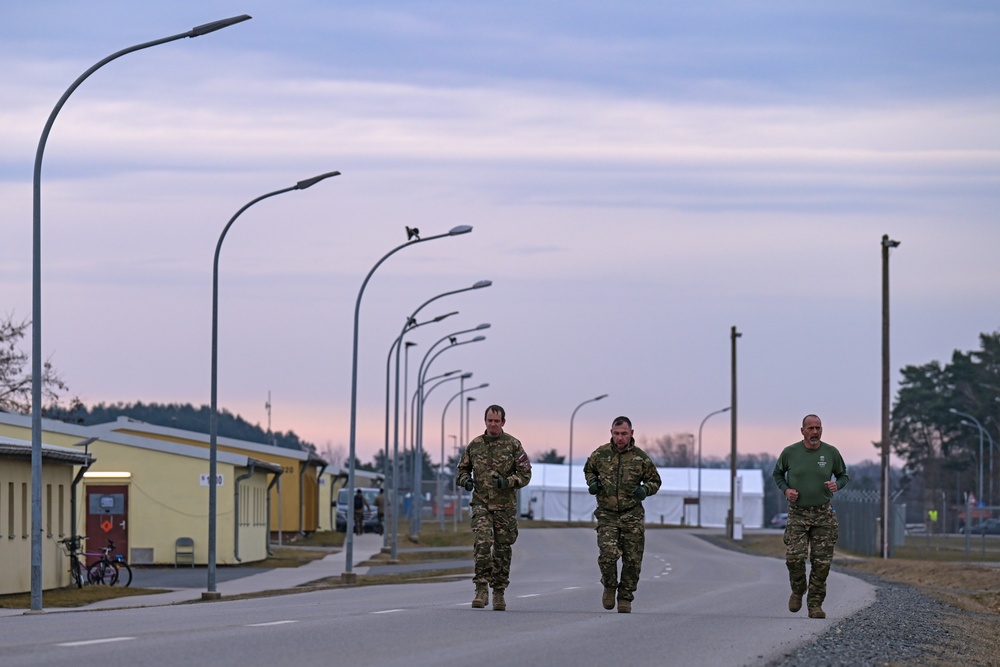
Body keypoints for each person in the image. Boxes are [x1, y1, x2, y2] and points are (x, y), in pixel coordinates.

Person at [771, 414, 850, 619]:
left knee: (821, 562)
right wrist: (786, 490)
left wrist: (837, 485)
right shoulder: (790, 453)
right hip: (798, 513)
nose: (815, 432)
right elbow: (777, 474)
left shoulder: (831, 453)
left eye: (818, 428)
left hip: (823, 513)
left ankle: (815, 604)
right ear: (802, 431)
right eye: (811, 428)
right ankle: (798, 589)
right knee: (794, 557)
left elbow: (844, 475)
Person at [456, 404, 532, 611]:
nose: (493, 424)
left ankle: (499, 591)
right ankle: (481, 588)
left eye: (497, 421)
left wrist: (507, 482)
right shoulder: (475, 445)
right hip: (481, 503)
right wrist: (466, 481)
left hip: (504, 507)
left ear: (503, 422)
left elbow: (526, 474)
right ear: (485, 421)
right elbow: (462, 469)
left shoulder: (513, 445)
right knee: (482, 541)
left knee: (502, 549)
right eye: (490, 420)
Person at [583, 415, 661, 613]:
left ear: (631, 434)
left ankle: (625, 596)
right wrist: (592, 482)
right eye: (616, 433)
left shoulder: (640, 458)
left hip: (631, 515)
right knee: (607, 556)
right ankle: (609, 585)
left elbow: (655, 481)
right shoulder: (600, 455)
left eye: (624, 434)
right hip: (607, 514)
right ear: (611, 433)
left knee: (632, 560)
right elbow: (588, 470)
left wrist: (645, 490)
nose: (620, 438)